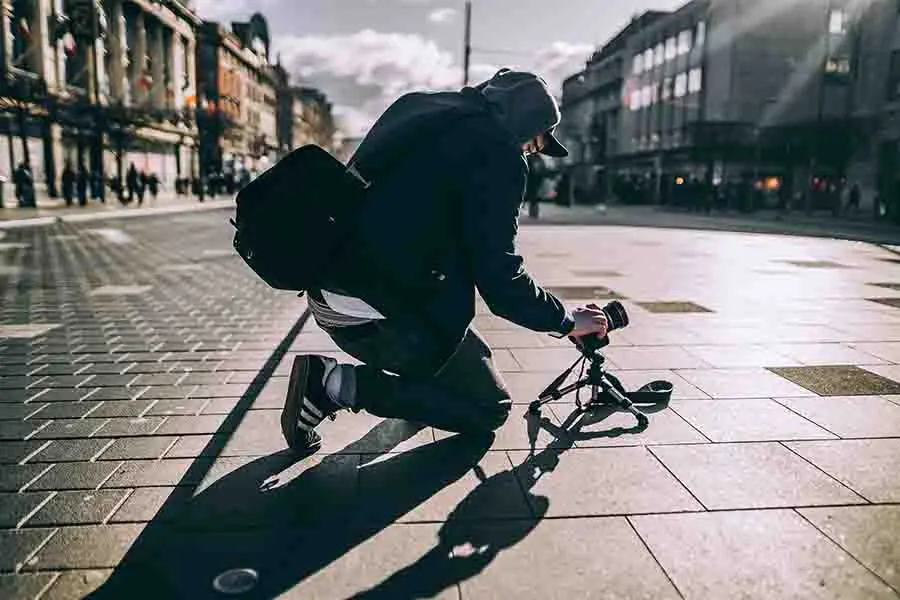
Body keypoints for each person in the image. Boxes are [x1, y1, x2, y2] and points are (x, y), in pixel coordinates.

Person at [280, 69, 611, 456]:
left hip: (333, 284)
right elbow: (501, 281)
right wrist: (566, 321)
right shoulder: (498, 153)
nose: (530, 153)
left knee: (465, 357)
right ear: (526, 126)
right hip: (376, 311)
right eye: (536, 144)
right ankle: (331, 386)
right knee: (488, 407)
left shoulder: (419, 107)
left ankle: (417, 385)